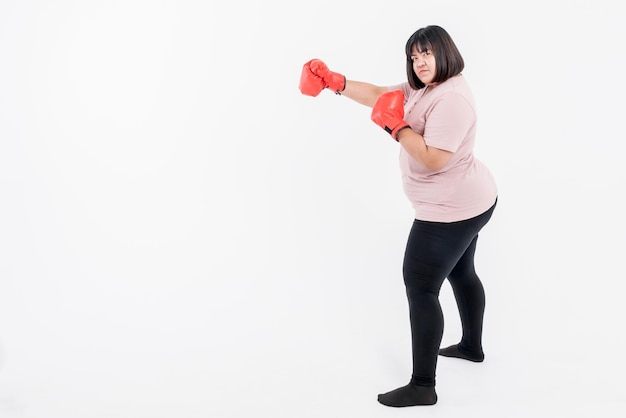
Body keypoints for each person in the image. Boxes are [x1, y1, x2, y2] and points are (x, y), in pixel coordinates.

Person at [298, 25, 498, 407]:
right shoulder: (428, 86)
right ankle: (472, 347)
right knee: (462, 271)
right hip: (471, 200)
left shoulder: (453, 99)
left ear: (445, 52)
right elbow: (381, 96)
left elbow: (435, 159)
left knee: (421, 286)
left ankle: (423, 385)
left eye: (426, 53)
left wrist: (396, 126)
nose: (420, 62)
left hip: (449, 211)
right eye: (414, 55)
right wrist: (334, 82)